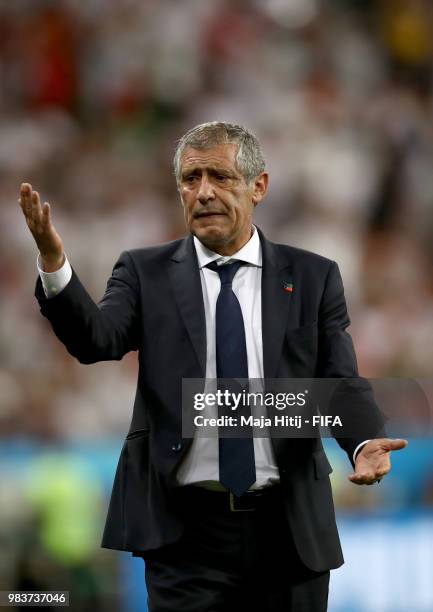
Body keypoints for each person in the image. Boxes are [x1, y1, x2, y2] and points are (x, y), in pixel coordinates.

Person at [19, 122, 407, 612]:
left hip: (288, 530)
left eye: (220, 177)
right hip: (187, 537)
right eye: (190, 178)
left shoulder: (313, 275)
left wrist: (365, 441)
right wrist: (55, 264)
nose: (203, 192)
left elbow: (339, 379)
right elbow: (97, 340)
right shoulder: (145, 272)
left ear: (258, 186)